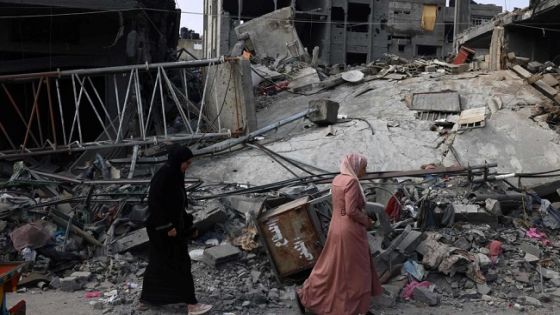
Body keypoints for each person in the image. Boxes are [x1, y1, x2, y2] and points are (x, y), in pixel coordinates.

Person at [297, 153, 383, 315]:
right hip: (349, 231)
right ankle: (354, 308)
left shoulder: (338, 179)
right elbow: (351, 210)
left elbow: (340, 206)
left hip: (335, 226)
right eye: (364, 167)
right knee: (357, 271)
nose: (365, 170)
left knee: (331, 267)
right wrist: (367, 221)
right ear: (356, 166)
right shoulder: (351, 182)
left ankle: (310, 294)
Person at [139, 145, 212, 315]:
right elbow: (154, 204)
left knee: (160, 264)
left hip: (170, 229)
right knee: (181, 264)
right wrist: (167, 226)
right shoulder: (164, 176)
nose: (188, 165)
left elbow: (178, 207)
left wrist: (188, 226)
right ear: (178, 161)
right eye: (186, 162)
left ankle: (148, 299)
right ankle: (191, 304)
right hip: (161, 230)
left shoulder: (176, 175)